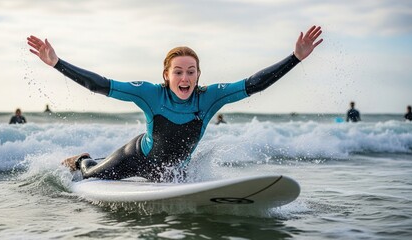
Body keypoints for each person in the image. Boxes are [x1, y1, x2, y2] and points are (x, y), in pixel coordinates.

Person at [27, 25, 323, 182]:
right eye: (178, 72)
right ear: (166, 76)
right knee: (90, 174)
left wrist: (294, 58)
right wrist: (56, 63)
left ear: (198, 75)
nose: (185, 77)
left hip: (174, 170)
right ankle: (81, 158)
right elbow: (99, 84)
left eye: (191, 72)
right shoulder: (151, 94)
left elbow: (254, 84)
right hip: (136, 158)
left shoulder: (210, 98)